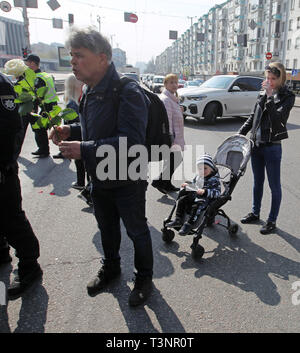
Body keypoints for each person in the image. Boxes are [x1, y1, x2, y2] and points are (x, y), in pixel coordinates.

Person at [49, 27, 153, 306]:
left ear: (102, 58)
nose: (73, 62)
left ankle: (144, 278)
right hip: (100, 177)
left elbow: (131, 142)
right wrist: (71, 131)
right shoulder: (89, 90)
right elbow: (93, 130)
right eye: (71, 56)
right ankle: (111, 268)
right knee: (107, 229)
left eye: (79, 56)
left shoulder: (127, 91)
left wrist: (83, 149)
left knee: (137, 231)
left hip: (127, 177)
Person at [239, 62, 295, 234]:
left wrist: (270, 97)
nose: (269, 82)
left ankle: (272, 221)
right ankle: (255, 213)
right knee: (258, 182)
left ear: (280, 78)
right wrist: (240, 134)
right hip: (256, 145)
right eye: (267, 78)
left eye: (273, 79)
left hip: (272, 147)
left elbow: (277, 119)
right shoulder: (262, 92)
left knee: (274, 185)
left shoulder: (288, 96)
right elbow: (253, 116)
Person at [0, 72, 42, 299]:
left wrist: (4, 164)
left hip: (2, 169)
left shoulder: (1, 83)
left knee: (10, 217)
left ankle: (28, 264)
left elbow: (9, 127)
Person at [167, 153, 221, 235]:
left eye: (205, 168)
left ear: (212, 169)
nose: (202, 171)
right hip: (195, 194)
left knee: (197, 206)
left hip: (204, 199)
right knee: (182, 200)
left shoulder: (214, 180)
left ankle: (189, 224)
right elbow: (194, 183)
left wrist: (205, 192)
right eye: (199, 169)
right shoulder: (198, 176)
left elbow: (217, 193)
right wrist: (188, 185)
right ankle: (178, 219)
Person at [151, 74, 185, 193]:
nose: (174, 85)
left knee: (172, 160)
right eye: (171, 82)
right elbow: (167, 121)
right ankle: (161, 181)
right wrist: (170, 139)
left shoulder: (172, 98)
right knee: (175, 159)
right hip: (171, 136)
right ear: (165, 84)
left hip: (175, 136)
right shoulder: (166, 100)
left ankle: (164, 182)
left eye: (176, 82)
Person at [24, 54, 59, 158]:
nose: (26, 65)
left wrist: (33, 108)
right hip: (53, 104)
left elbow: (38, 94)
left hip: (46, 106)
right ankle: (63, 149)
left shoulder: (37, 78)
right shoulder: (46, 75)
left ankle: (44, 150)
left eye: (27, 63)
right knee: (55, 128)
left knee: (39, 127)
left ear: (33, 63)